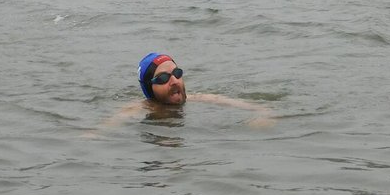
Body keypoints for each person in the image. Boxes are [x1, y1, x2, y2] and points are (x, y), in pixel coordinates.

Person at [90, 53, 275, 131]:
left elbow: (257, 108)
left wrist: (263, 114)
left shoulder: (200, 98)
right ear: (149, 89)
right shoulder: (139, 108)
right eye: (163, 78)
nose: (173, 81)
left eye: (177, 73)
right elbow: (104, 128)